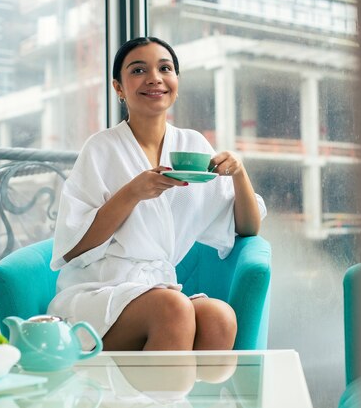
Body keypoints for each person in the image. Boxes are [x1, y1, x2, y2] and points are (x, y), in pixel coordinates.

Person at [48, 36, 266, 351]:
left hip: (157, 288)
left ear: (175, 81)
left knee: (220, 317)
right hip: (96, 291)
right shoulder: (101, 148)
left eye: (165, 68)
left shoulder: (193, 146)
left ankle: (197, 400)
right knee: (173, 308)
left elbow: (247, 227)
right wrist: (133, 192)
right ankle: (162, 401)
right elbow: (73, 249)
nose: (154, 78)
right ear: (118, 88)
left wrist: (239, 174)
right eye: (138, 70)